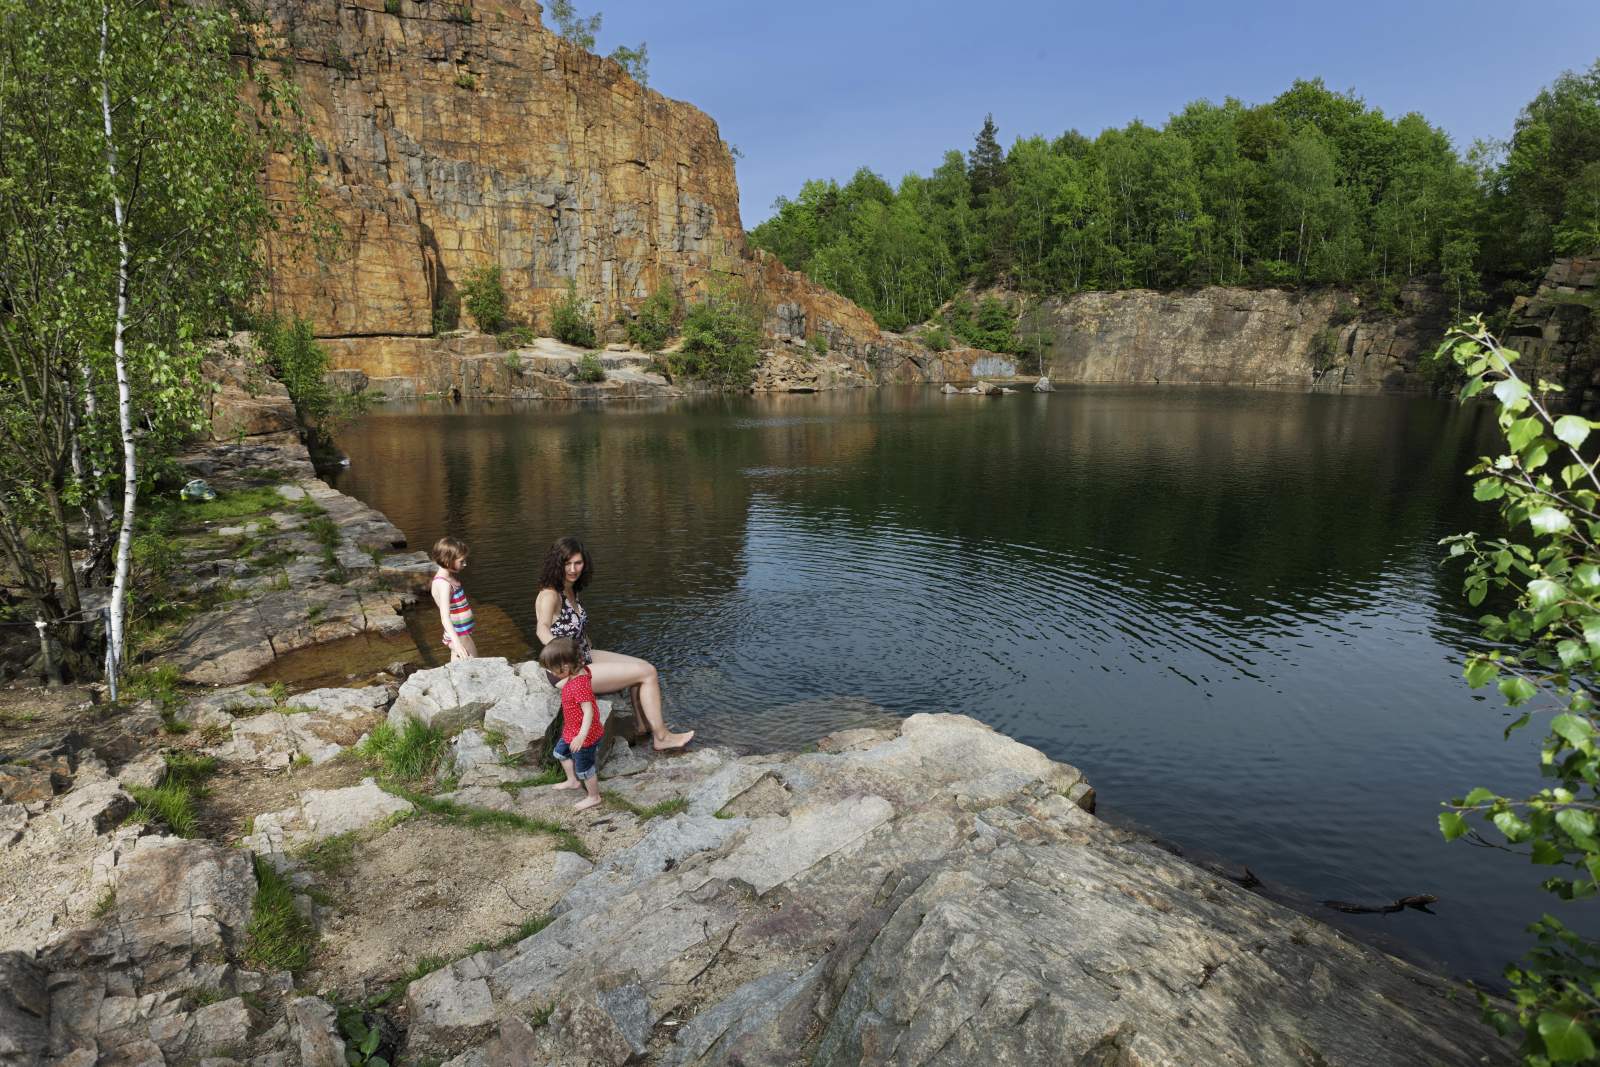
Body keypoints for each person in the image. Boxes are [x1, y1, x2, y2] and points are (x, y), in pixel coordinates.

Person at [534, 535, 693, 751]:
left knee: (642, 666)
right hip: (567, 672)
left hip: (585, 656)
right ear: (557, 563)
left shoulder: (571, 588)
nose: (573, 569)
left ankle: (641, 725)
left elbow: (574, 626)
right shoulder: (550, 594)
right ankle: (662, 738)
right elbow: (541, 628)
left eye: (578, 563)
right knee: (647, 672)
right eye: (567, 563)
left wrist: (585, 642)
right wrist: (562, 653)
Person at [540, 637, 603, 811]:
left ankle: (594, 796)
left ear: (566, 667)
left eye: (553, 670)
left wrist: (582, 736)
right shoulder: (578, 672)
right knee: (560, 753)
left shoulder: (579, 685)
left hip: (584, 736)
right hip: (572, 730)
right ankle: (572, 781)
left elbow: (588, 711)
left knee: (585, 768)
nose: (552, 674)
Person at [430, 536, 477, 660]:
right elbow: (444, 617)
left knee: (459, 667)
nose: (465, 564)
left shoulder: (448, 578)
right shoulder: (444, 584)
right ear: (447, 561)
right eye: (461, 561)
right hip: (459, 636)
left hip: (462, 633)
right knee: (474, 667)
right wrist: (456, 643)